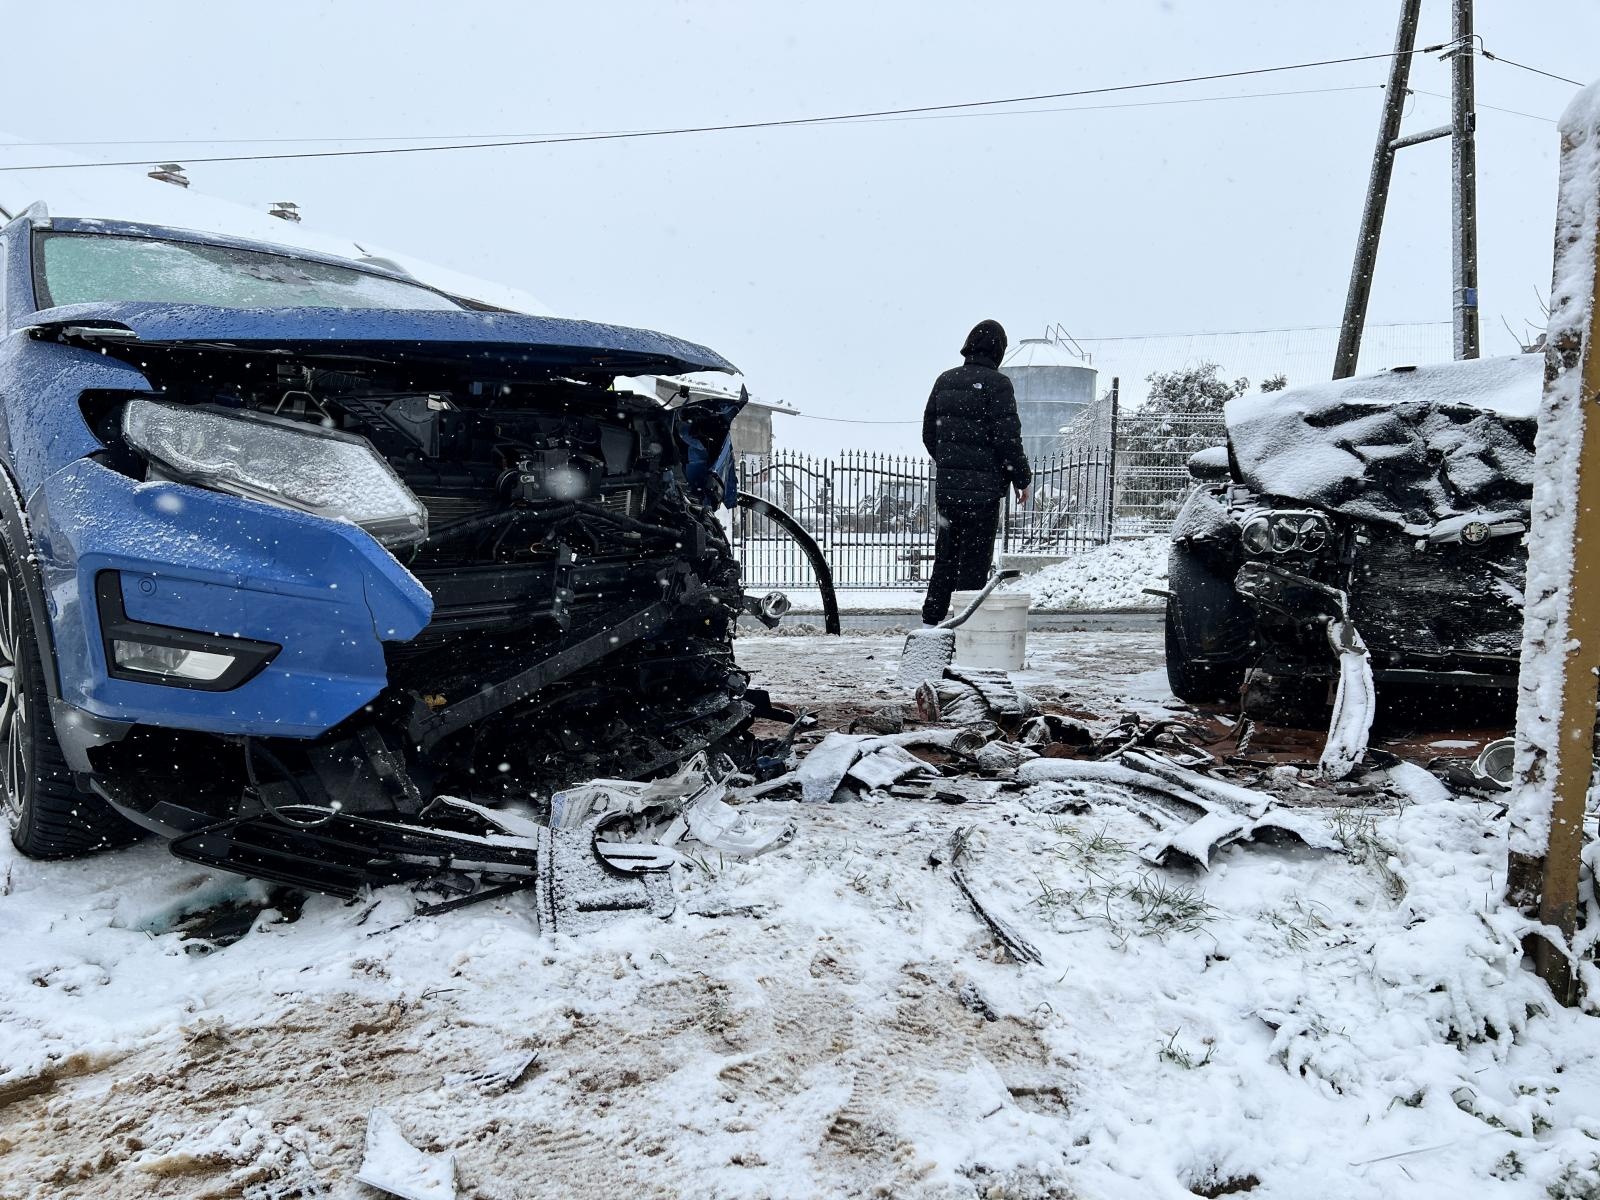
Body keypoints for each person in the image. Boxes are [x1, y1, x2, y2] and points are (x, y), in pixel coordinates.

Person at [920, 319, 1031, 625]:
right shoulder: (998, 385)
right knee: (974, 562)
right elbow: (1008, 439)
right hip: (983, 496)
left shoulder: (944, 381)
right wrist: (1021, 479)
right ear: (998, 351)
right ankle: (964, 627)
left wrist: (950, 463)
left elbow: (930, 434)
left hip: (949, 491)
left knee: (945, 558)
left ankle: (931, 623)